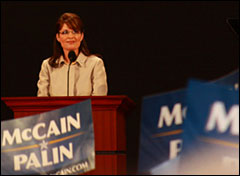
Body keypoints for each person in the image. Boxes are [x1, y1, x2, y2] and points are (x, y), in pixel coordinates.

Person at [37, 12, 108, 96]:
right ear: (58, 37)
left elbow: (99, 102)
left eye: (75, 31)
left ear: (81, 36)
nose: (70, 36)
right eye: (65, 32)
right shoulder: (47, 66)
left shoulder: (95, 64)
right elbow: (42, 102)